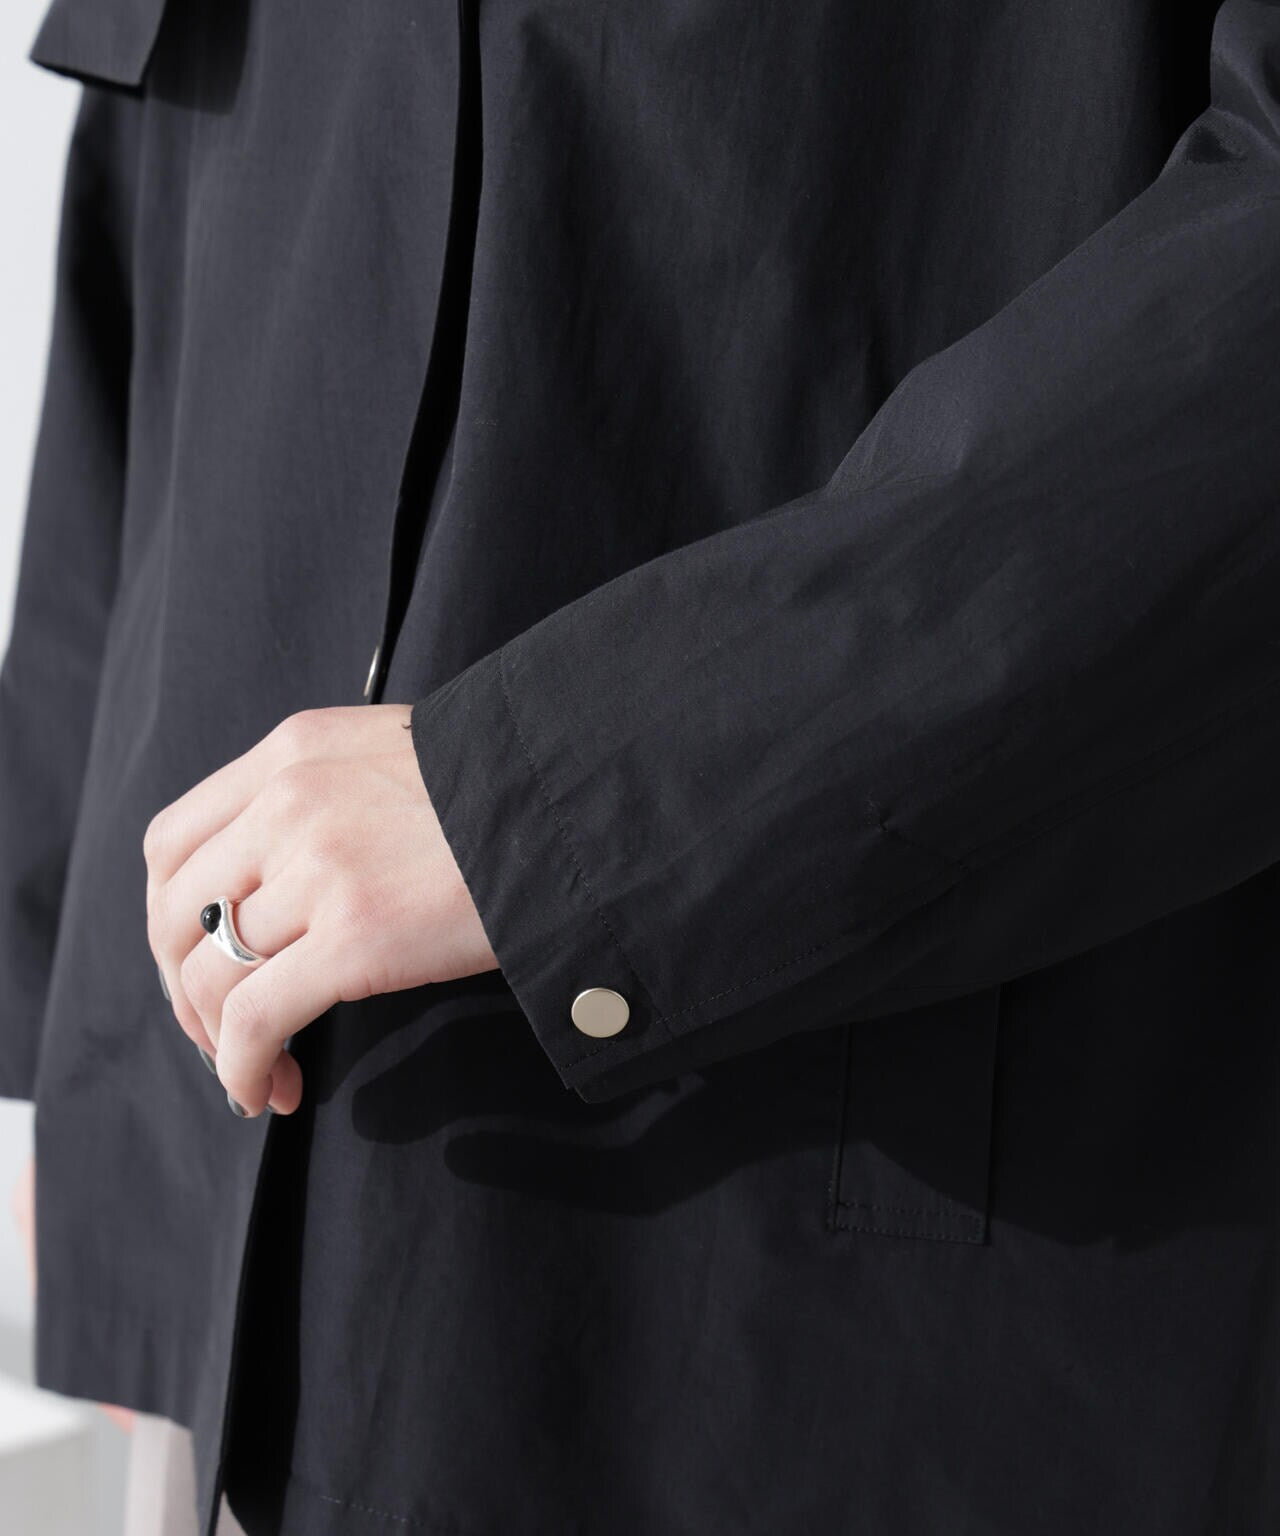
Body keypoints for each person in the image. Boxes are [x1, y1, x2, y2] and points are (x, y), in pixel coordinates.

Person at [2, 1, 1278, 1532]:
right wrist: (87, 1075)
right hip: (241, 1204)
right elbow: (177, 169)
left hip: (865, 1260)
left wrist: (562, 806)